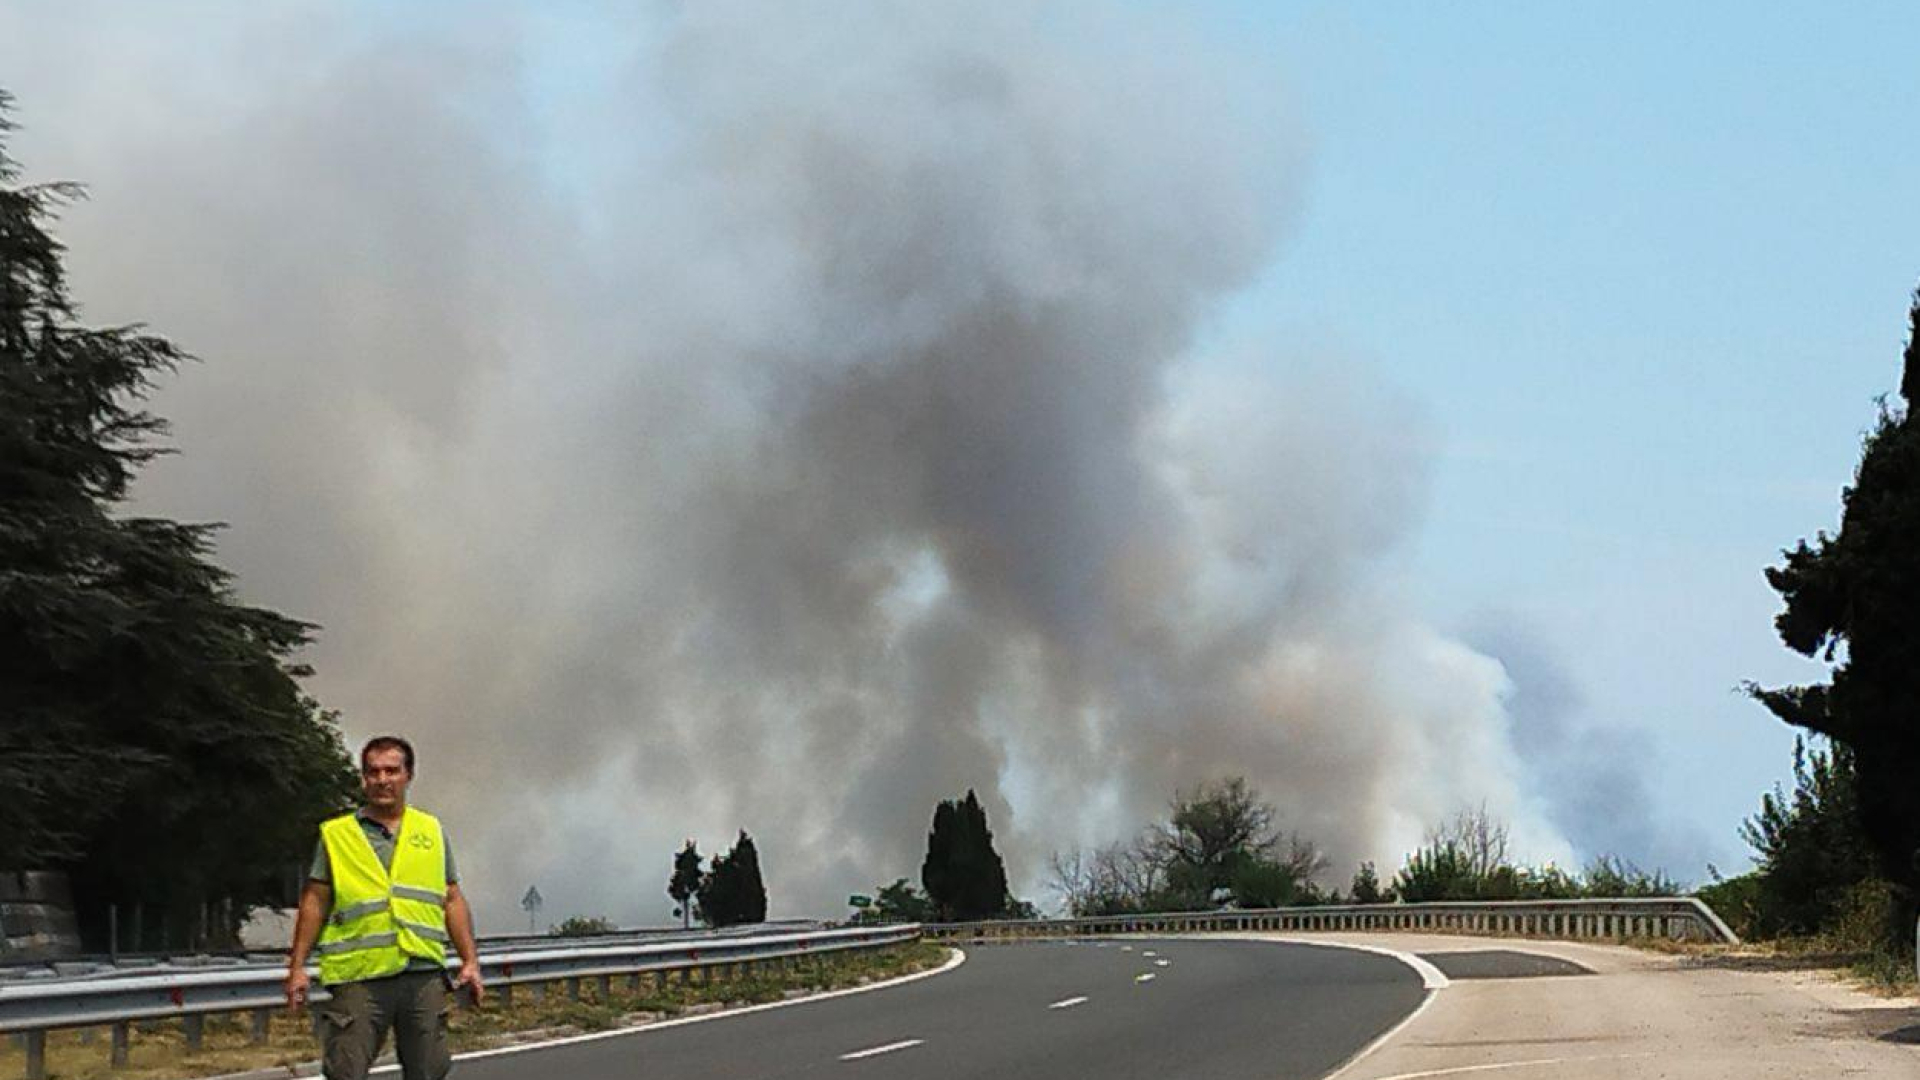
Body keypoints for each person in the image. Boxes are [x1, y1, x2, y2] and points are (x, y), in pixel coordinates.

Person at [286, 736, 484, 1080]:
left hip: (421, 973)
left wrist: (470, 961)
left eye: (392, 770)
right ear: (363, 778)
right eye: (373, 772)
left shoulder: (431, 831)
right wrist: (298, 966)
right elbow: (315, 900)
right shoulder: (337, 834)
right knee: (346, 1070)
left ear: (408, 776)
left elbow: (451, 897)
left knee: (428, 1071)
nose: (382, 780)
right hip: (360, 977)